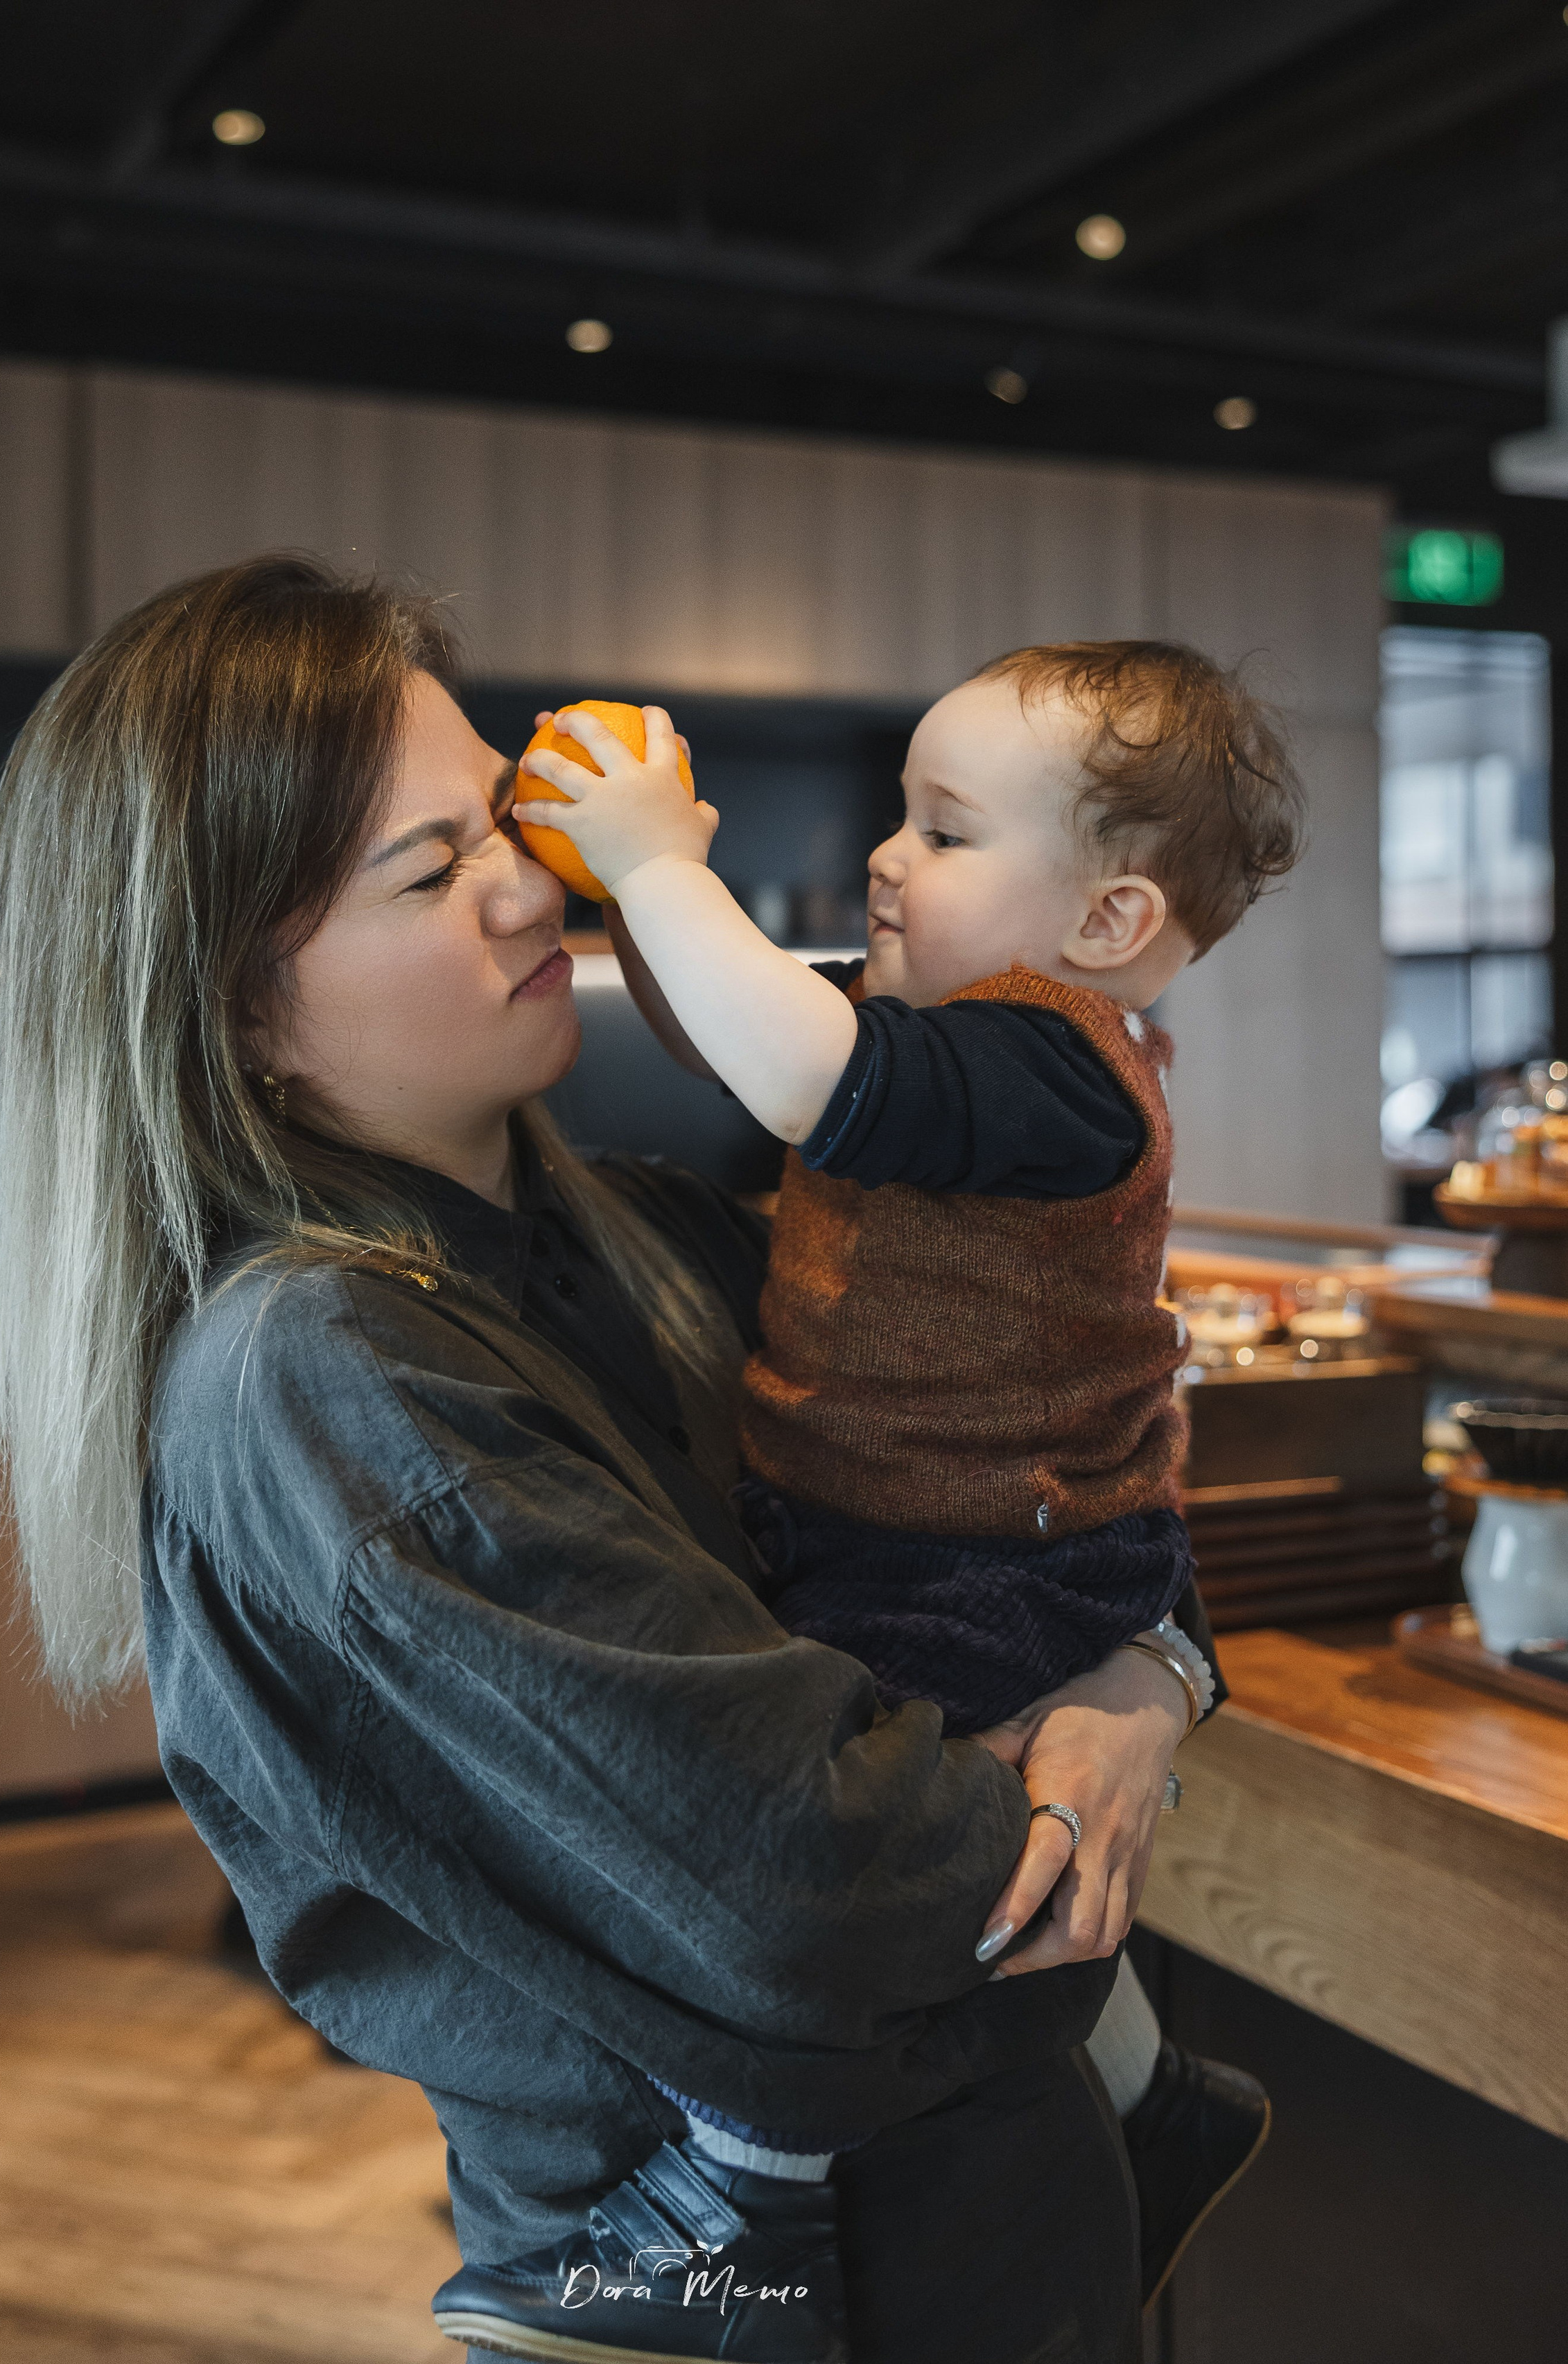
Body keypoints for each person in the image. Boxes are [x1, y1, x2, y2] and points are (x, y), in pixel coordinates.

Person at [0, 555, 1206, 2364]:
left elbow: (1041, 1471)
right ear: (229, 1001)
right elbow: (816, 1893)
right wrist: (1065, 1792)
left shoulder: (648, 1230)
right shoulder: (323, 1374)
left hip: (987, 2232)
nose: (534, 883)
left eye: (506, 820)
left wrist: (1139, 1683)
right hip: (755, 2296)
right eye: (430, 870)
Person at [494, 644, 1291, 2353]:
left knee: (823, 1855)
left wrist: (652, 861)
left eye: (943, 829)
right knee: (929, 1847)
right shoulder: (940, 1045)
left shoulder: (1053, 1068)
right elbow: (746, 1038)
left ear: (1103, 922)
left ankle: (739, 2195)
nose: (883, 854)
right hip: (912, 1529)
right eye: (900, 815)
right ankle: (1149, 2096)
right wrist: (639, 888)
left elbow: (797, 1071)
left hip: (976, 1558)